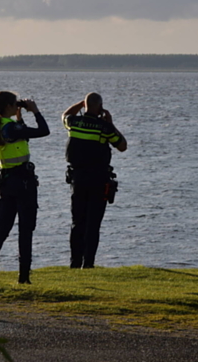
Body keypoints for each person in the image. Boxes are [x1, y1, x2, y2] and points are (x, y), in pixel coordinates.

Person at [0, 91, 50, 284]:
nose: (17, 107)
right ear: (8, 107)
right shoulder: (11, 128)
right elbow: (44, 131)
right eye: (15, 104)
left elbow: (18, 137)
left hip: (7, 182)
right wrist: (35, 111)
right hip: (23, 183)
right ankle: (24, 278)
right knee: (25, 230)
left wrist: (20, 120)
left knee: (2, 229)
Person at [62, 92, 127, 269]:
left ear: (85, 105)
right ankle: (88, 263)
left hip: (78, 179)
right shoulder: (104, 127)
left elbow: (65, 115)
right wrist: (110, 123)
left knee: (77, 222)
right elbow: (122, 146)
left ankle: (74, 263)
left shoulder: (74, 123)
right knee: (93, 223)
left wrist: (81, 104)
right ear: (100, 107)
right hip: (98, 179)